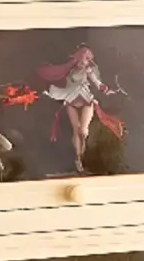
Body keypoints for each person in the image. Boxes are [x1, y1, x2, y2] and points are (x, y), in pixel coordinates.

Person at [36, 45, 124, 174]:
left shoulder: (88, 70)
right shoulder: (69, 69)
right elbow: (60, 78)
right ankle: (78, 159)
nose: (86, 61)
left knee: (83, 130)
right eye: (84, 58)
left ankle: (83, 156)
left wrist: (105, 89)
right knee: (76, 130)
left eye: (88, 59)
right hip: (71, 99)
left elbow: (97, 83)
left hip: (86, 99)